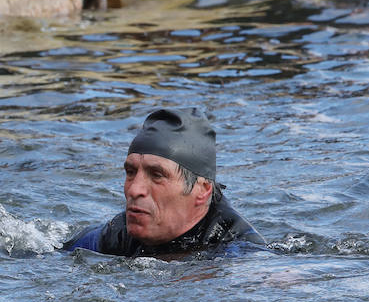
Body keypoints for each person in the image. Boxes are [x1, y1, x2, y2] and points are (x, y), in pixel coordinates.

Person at [63, 108, 265, 257]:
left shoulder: (238, 250)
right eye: (131, 172)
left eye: (157, 175)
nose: (134, 189)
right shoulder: (116, 234)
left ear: (202, 190)